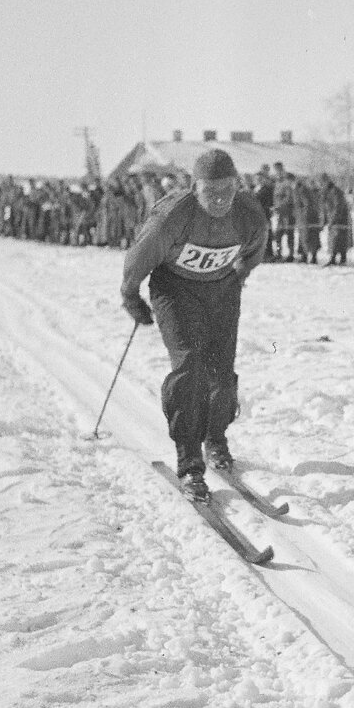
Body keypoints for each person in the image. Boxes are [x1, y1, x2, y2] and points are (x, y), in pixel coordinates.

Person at [119, 148, 268, 502]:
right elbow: (137, 262)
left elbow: (253, 255)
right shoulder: (172, 217)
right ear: (194, 188)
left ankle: (216, 437)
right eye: (209, 193)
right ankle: (189, 462)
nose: (219, 201)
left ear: (237, 186)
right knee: (190, 369)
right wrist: (131, 298)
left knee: (221, 371)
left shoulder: (249, 215)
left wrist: (235, 280)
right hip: (176, 289)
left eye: (227, 192)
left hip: (221, 289)